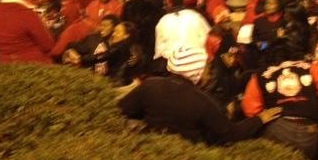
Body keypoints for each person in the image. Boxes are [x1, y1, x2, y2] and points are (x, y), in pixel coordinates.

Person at [119, 52, 282, 145]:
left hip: (151, 147)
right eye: (207, 69)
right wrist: (259, 119)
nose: (209, 74)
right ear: (196, 71)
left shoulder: (150, 85)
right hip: (187, 159)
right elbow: (229, 133)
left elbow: (122, 109)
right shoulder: (203, 101)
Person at [153, 0, 210, 81]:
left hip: (176, 68)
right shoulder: (195, 16)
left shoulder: (163, 21)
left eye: (166, 3)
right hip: (200, 62)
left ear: (170, 4)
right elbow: (208, 36)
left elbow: (159, 51)